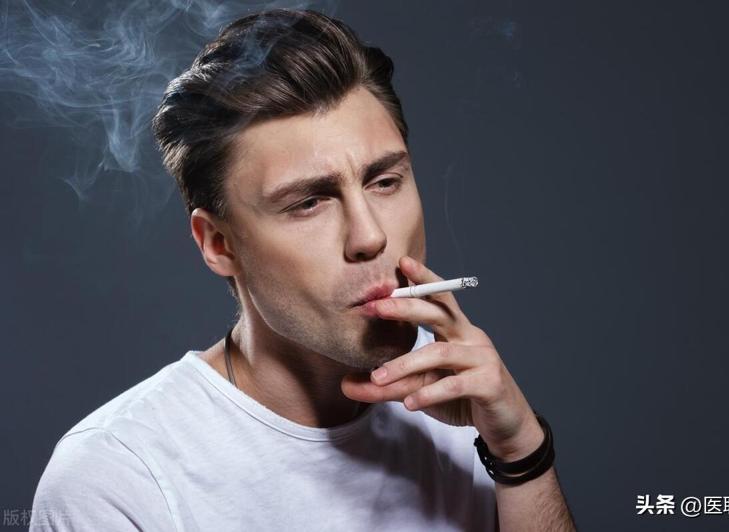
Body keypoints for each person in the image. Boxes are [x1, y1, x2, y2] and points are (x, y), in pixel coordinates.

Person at [31, 9, 576, 531]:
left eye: (384, 182)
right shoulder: (119, 479)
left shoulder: (461, 401)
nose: (370, 237)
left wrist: (519, 452)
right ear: (219, 244)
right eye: (308, 203)